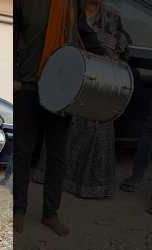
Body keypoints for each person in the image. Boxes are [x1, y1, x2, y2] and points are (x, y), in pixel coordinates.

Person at [33, 0, 132, 200]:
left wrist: (114, 47)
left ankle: (90, 186)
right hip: (71, 80)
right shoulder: (70, 10)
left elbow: (125, 46)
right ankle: (55, 180)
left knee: (99, 132)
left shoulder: (112, 17)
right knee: (64, 131)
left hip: (101, 85)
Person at [14, 0, 82, 236]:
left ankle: (50, 213)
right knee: (23, 152)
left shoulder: (72, 3)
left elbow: (85, 34)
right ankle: (18, 211)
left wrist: (108, 58)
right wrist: (15, 77)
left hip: (62, 89)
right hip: (29, 84)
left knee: (57, 155)